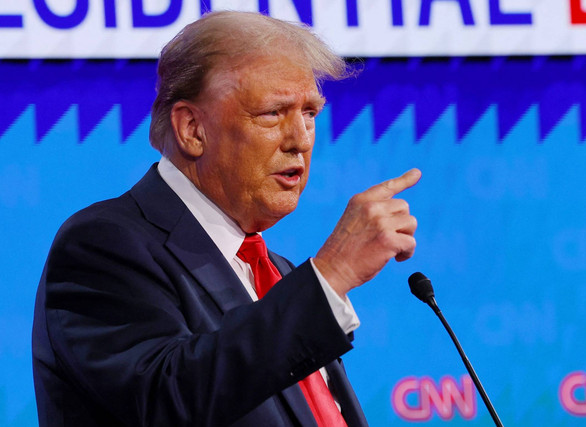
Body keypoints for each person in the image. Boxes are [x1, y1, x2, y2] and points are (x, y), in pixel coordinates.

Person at [32, 10, 421, 427]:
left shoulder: (278, 275)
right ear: (192, 130)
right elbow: (168, 400)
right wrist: (334, 272)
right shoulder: (103, 245)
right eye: (273, 113)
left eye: (309, 113)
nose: (301, 139)